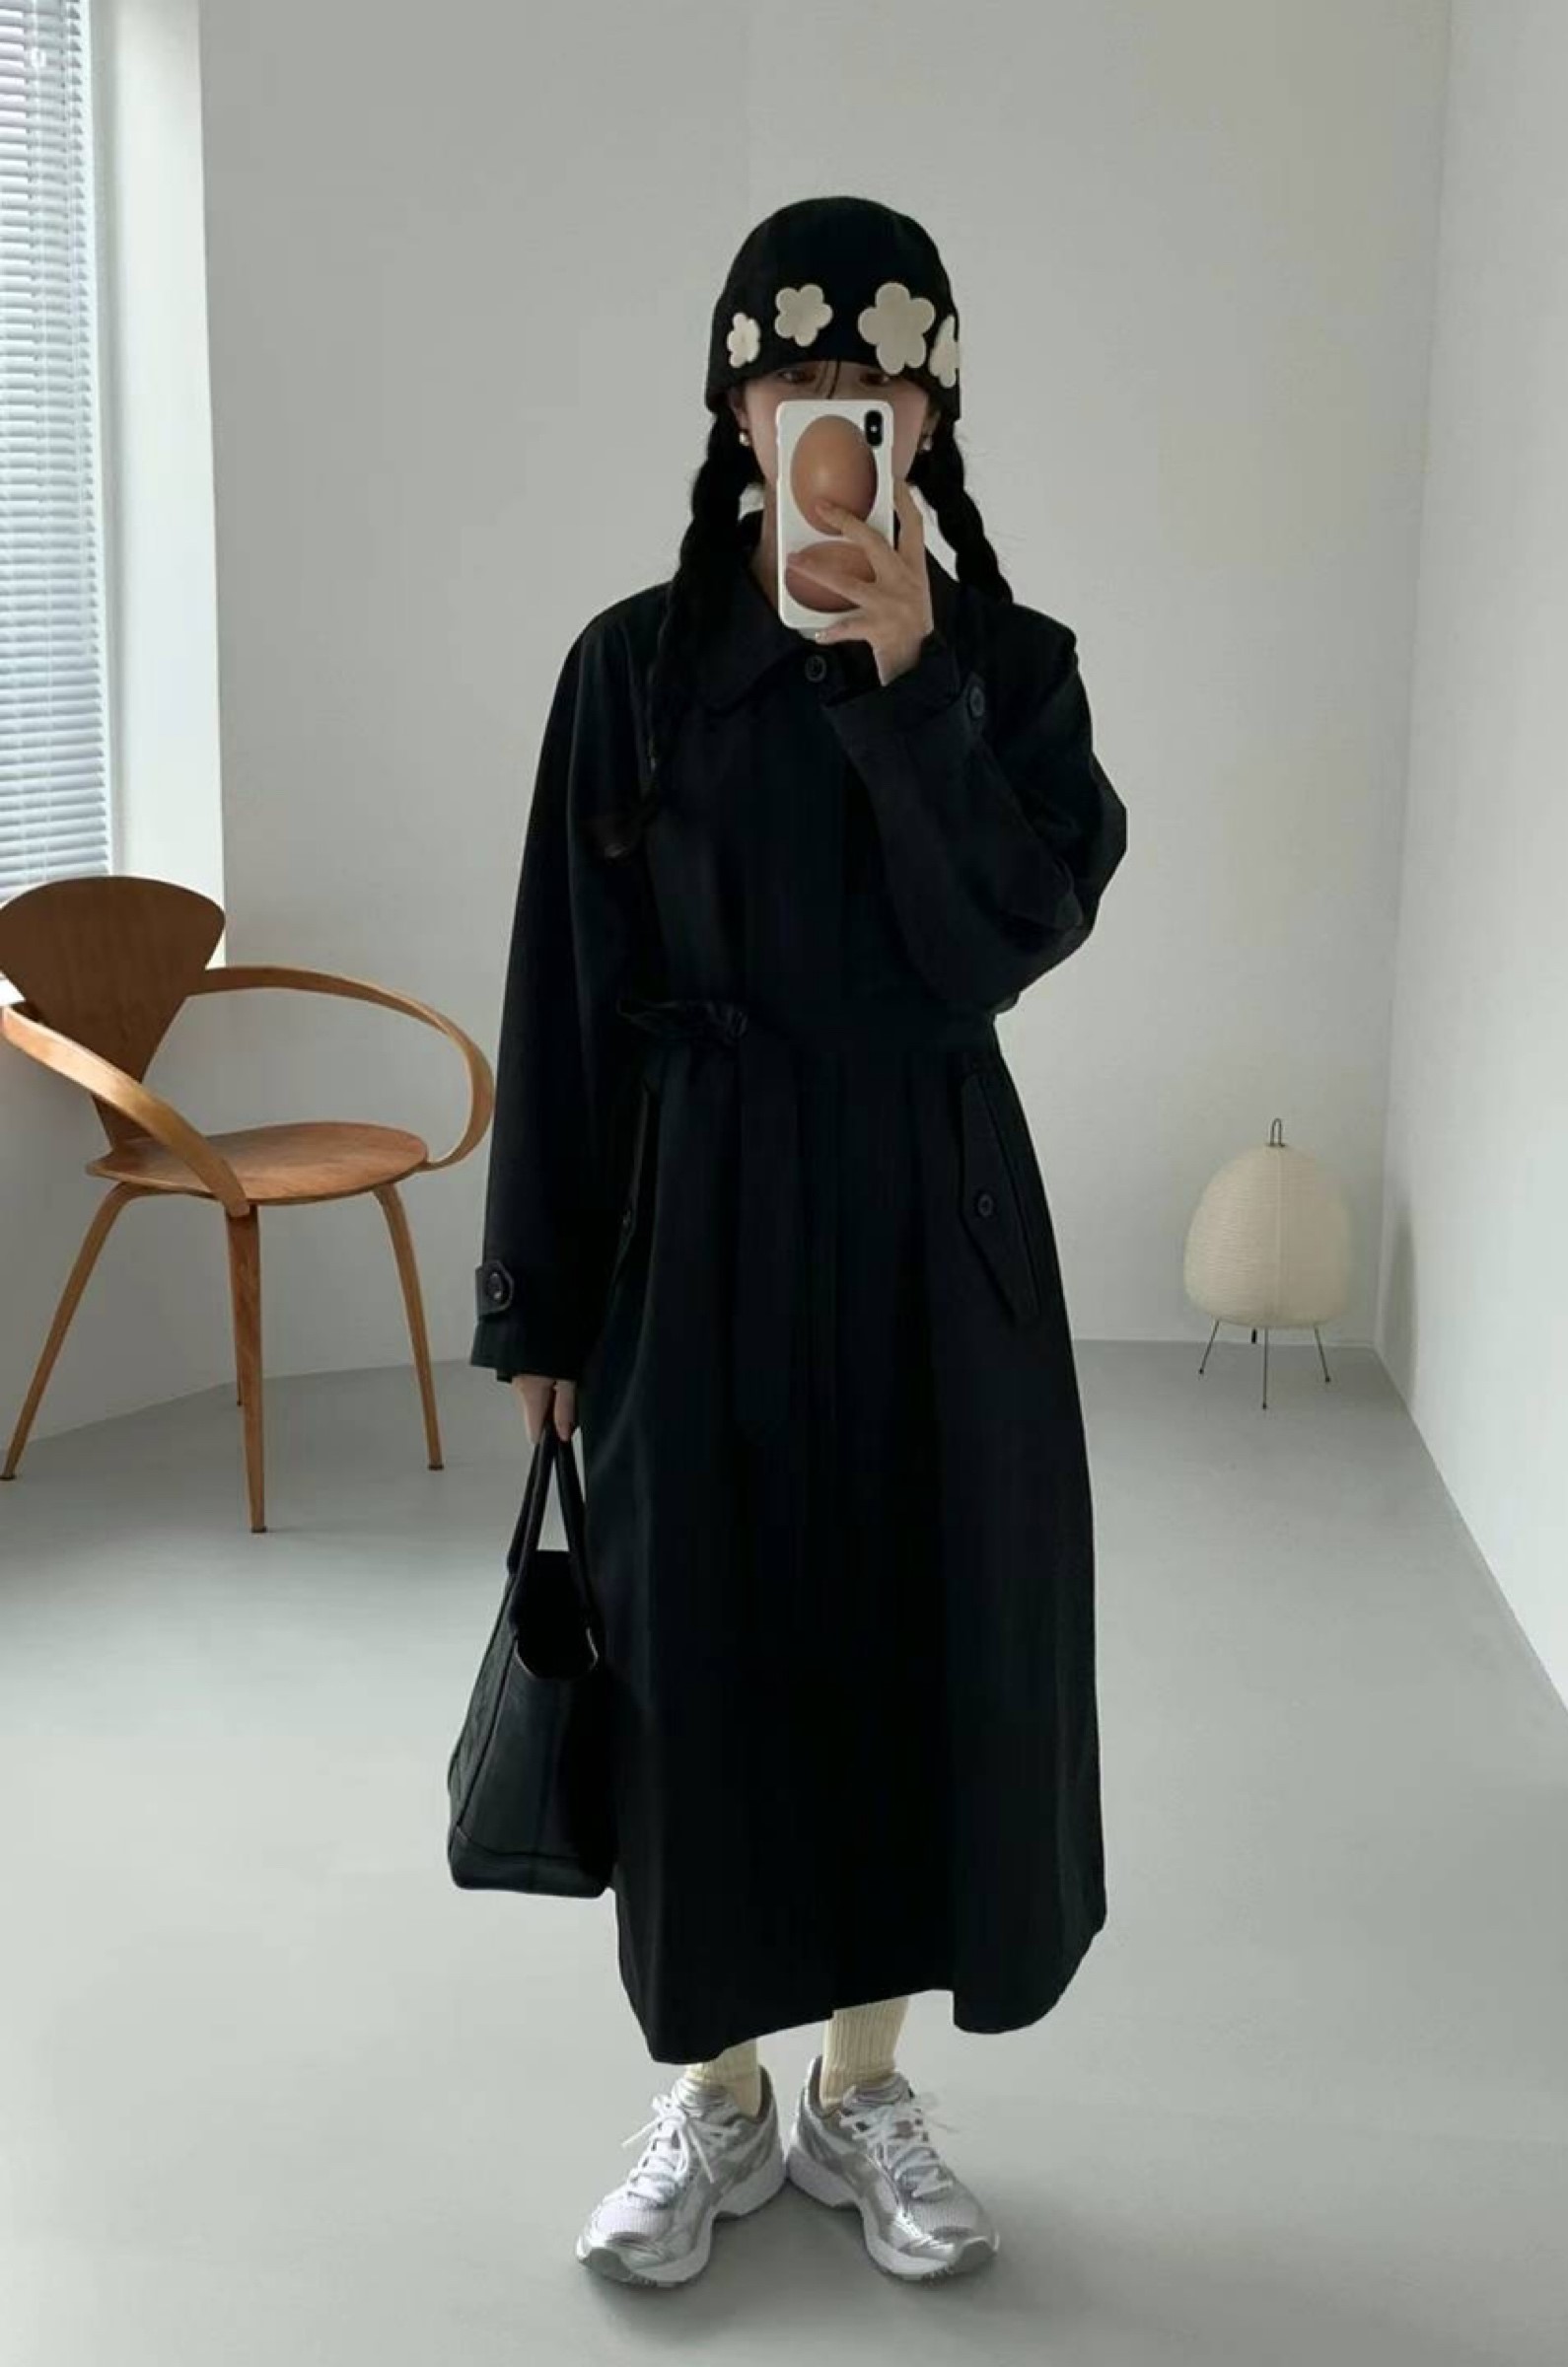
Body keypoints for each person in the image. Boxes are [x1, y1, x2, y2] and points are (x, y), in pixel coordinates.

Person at [468, 193, 1128, 2289]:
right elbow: (567, 993)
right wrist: (541, 1303)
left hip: (935, 1218)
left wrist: (910, 682)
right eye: (794, 379)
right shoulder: (634, 673)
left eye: (879, 385)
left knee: (919, 1640)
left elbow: (1004, 938)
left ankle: (864, 2089)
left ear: (931, 416)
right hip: (694, 1222)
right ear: (735, 406)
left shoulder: (1009, 670)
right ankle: (721, 2101)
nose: (836, 416)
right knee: (700, 1660)